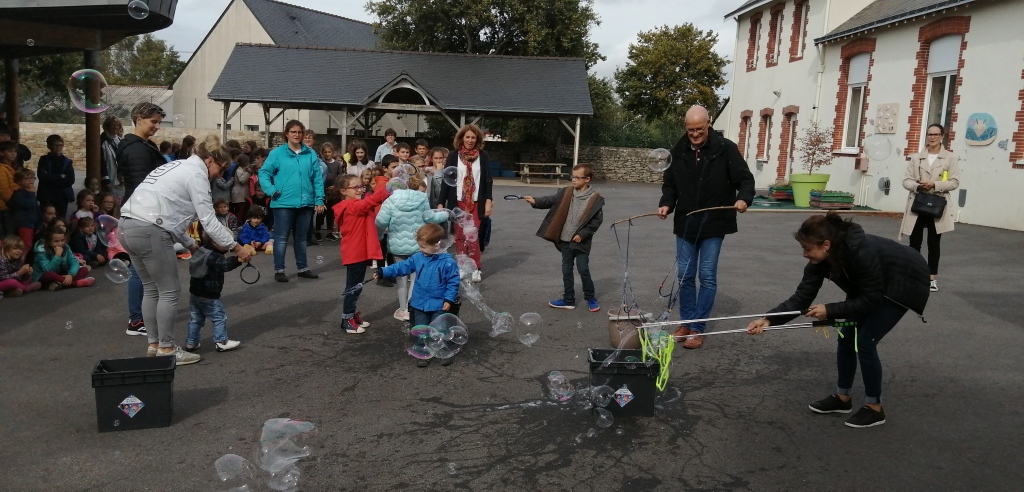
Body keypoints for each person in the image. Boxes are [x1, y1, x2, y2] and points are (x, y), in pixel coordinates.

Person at [746, 212, 930, 428]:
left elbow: (871, 299)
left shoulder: (860, 252)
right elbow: (801, 298)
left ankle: (875, 408)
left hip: (904, 282)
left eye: (807, 248)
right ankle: (843, 398)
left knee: (865, 342)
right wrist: (768, 319)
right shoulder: (820, 260)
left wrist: (830, 310)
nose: (804, 254)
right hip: (871, 286)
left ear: (826, 245)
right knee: (846, 338)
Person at [118, 134, 253, 365]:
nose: (220, 175)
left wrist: (189, 243)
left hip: (127, 225)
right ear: (209, 160)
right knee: (169, 291)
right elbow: (208, 221)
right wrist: (237, 247)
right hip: (151, 231)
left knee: (151, 289)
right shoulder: (196, 174)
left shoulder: (177, 166)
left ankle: (154, 345)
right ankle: (167, 349)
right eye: (221, 168)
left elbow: (168, 210)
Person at [657, 105, 755, 349]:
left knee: (707, 276)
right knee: (685, 276)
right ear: (685, 127)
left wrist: (744, 199)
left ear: (708, 123)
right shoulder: (678, 151)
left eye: (699, 129)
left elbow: (745, 179)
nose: (695, 134)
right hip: (685, 223)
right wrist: (666, 203)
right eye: (691, 130)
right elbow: (669, 184)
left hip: (714, 223)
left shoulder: (726, 148)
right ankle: (686, 323)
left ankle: (698, 328)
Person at [376, 223, 460, 367]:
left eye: (423, 247)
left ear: (436, 244)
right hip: (419, 302)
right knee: (421, 328)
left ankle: (442, 351)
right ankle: (423, 351)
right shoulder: (418, 258)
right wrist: (383, 271)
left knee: (440, 329)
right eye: (420, 246)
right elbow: (401, 267)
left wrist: (449, 299)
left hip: (439, 303)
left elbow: (453, 282)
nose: (421, 249)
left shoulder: (448, 262)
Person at [524, 163, 605, 312]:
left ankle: (590, 298)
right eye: (572, 177)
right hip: (564, 240)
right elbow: (551, 200)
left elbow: (596, 222)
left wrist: (582, 234)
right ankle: (569, 300)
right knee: (566, 270)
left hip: (581, 243)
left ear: (587, 179)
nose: (573, 180)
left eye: (577, 178)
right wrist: (535, 201)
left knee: (583, 269)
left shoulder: (595, 199)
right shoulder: (566, 192)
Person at [118, 102, 168, 338]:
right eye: (153, 122)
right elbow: (142, 185)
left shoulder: (142, 145)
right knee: (141, 271)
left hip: (140, 212)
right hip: (141, 213)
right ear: (139, 119)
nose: (157, 126)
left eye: (159, 122)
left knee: (142, 270)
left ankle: (140, 316)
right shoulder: (136, 149)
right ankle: (137, 319)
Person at [258, 120, 325, 283]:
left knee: (301, 238)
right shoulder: (277, 153)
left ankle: (302, 268)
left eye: (299, 132)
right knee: (281, 238)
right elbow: (264, 173)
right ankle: (279, 270)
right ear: (286, 134)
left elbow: (317, 178)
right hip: (283, 203)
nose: (297, 135)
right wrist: (271, 190)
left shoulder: (310, 153)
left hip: (306, 203)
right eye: (293, 132)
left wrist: (319, 199)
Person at [375, 174, 449, 321]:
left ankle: (403, 310)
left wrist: (380, 236)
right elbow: (430, 218)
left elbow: (380, 222)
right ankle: (412, 308)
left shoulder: (391, 199)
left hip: (397, 245)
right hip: (418, 243)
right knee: (416, 278)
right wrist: (445, 214)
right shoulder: (422, 198)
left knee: (400, 277)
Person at [899, 123, 960, 293]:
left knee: (934, 243)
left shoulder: (950, 158)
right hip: (918, 202)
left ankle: (932, 278)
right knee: (914, 241)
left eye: (936, 134)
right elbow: (906, 180)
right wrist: (918, 186)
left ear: (942, 136)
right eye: (930, 134)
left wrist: (935, 184)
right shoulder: (916, 158)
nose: (932, 137)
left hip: (937, 203)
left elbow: (954, 182)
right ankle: (914, 276)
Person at [333, 172, 391, 333]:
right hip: (355, 252)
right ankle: (347, 318)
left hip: (358, 251)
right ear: (343, 191)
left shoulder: (353, 204)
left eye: (361, 186)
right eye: (355, 187)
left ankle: (351, 314)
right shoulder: (350, 206)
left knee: (356, 286)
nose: (360, 189)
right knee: (353, 287)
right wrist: (387, 187)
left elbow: (369, 202)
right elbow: (370, 202)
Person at [440, 124, 494, 283]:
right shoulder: (453, 155)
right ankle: (462, 266)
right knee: (460, 236)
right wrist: (441, 202)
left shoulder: (483, 156)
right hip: (457, 201)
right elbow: (446, 181)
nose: (470, 140)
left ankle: (476, 267)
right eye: (467, 137)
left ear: (477, 139)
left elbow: (488, 180)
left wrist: (489, 201)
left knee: (472, 235)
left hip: (476, 201)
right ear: (461, 138)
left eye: (473, 137)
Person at [184, 234, 243, 353]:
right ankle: (221, 341)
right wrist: (238, 260)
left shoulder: (202, 250)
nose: (228, 245)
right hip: (209, 294)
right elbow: (224, 265)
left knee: (196, 319)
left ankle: (191, 342)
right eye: (225, 242)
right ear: (214, 242)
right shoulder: (213, 256)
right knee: (219, 317)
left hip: (195, 292)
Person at [32, 226, 95, 290]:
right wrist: (57, 256)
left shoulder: (66, 247)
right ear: (48, 241)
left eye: (62, 240)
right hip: (43, 276)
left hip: (60, 273)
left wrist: (71, 275)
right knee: (49, 274)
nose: (60, 243)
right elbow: (48, 269)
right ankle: (76, 283)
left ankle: (58, 284)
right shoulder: (42, 251)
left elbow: (73, 261)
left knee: (84, 269)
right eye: (56, 241)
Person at [36, 135, 76, 221]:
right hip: (47, 195)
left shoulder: (67, 162)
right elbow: (42, 176)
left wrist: (51, 179)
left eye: (60, 145)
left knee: (60, 219)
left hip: (62, 196)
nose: (58, 148)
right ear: (49, 146)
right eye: (55, 145)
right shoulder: (44, 160)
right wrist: (60, 176)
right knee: (45, 218)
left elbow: (70, 180)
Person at [9, 168, 39, 249]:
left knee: (30, 244)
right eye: (27, 178)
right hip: (24, 223)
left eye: (32, 178)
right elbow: (28, 205)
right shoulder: (19, 193)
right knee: (26, 245)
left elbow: (35, 208)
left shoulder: (29, 193)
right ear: (19, 181)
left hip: (32, 223)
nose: (31, 180)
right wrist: (31, 194)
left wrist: (38, 222)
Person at [320, 143, 343, 241]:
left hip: (333, 193)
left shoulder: (337, 164)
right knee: (321, 212)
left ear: (332, 152)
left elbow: (340, 177)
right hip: (322, 191)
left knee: (331, 213)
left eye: (329, 152)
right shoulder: (321, 163)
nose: (327, 154)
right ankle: (317, 231)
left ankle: (330, 232)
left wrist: (335, 186)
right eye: (325, 152)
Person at [0, 140, 18, 237]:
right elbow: (4, 191)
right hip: (5, 208)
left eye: (15, 151)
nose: (13, 154)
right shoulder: (1, 169)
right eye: (10, 151)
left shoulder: (14, 168)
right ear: (2, 153)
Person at [100, 116, 123, 188]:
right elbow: (101, 161)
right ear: (107, 126)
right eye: (113, 125)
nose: (115, 127)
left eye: (117, 125)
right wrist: (105, 178)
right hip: (108, 180)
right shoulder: (101, 141)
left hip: (120, 180)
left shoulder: (120, 141)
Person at [231, 154, 251, 222]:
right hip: (239, 194)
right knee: (240, 211)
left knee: (243, 210)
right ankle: (238, 224)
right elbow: (242, 180)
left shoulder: (242, 169)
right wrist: (248, 173)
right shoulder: (239, 170)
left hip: (242, 194)